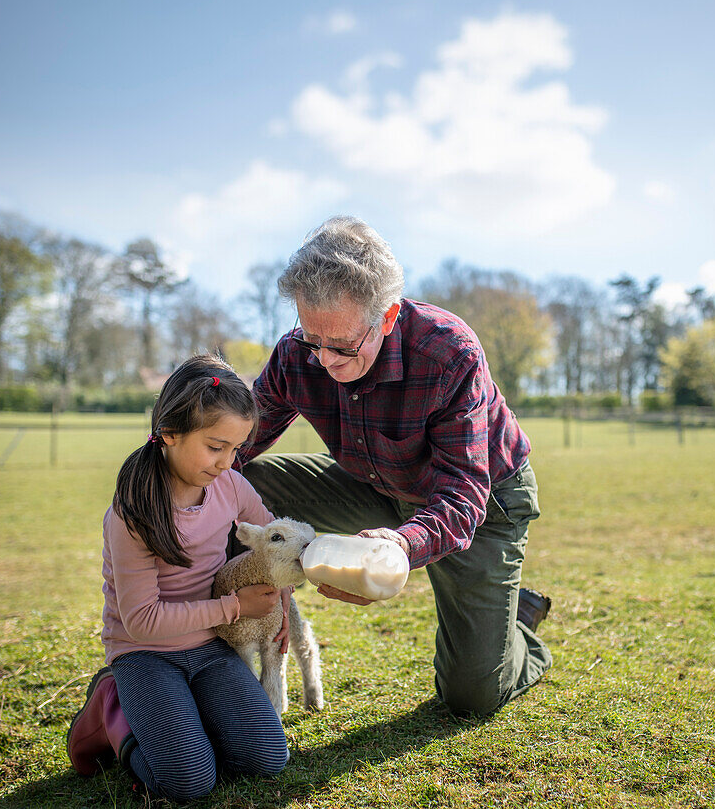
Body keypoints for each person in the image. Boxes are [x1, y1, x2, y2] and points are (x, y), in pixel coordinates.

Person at [236, 216, 552, 718]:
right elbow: (232, 441)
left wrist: (399, 546)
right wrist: (154, 475)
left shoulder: (448, 352)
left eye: (342, 346)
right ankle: (217, 634)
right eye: (312, 338)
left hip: (479, 502)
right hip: (376, 485)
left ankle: (518, 629)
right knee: (237, 482)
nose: (324, 361)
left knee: (471, 696)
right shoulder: (300, 353)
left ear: (387, 317)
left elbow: (463, 491)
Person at [66, 355, 291, 801]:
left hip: (210, 645)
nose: (227, 462)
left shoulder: (229, 485)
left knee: (267, 758)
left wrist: (282, 602)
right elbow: (142, 621)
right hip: (145, 652)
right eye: (215, 447)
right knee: (187, 782)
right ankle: (113, 710)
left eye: (236, 449)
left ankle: (185, 717)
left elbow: (272, 541)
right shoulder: (132, 514)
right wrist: (236, 608)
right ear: (169, 433)